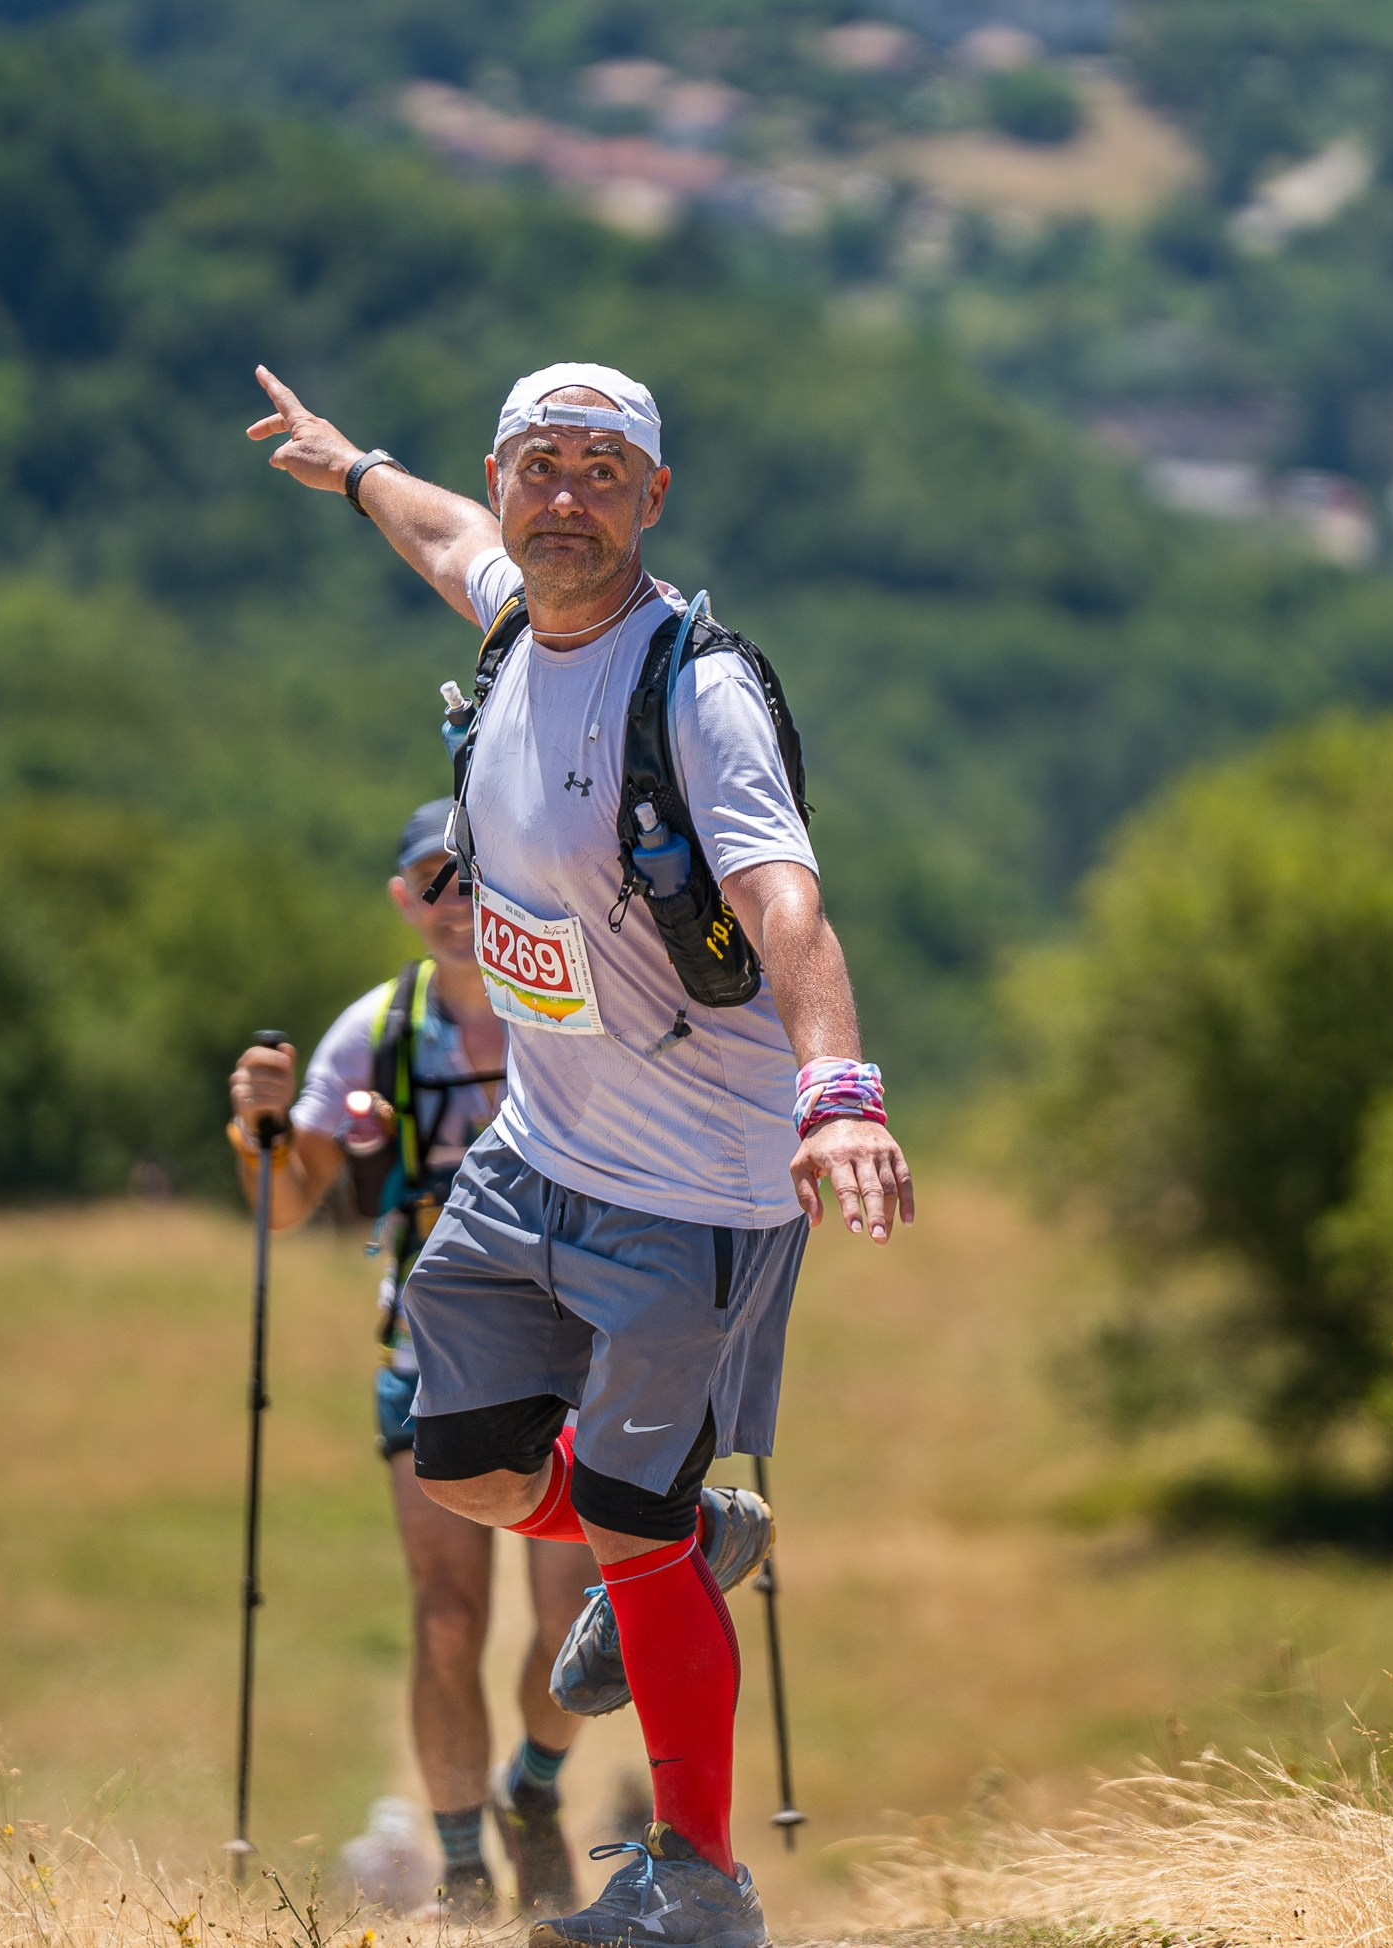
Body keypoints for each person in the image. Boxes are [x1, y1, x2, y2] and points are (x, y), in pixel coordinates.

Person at [246, 359, 913, 1948]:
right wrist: (349, 466)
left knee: (618, 1511)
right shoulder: (504, 621)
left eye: (602, 471)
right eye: (538, 466)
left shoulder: (695, 688)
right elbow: (433, 537)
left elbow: (783, 901)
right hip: (536, 1157)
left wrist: (838, 1093)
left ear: (651, 499)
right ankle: (682, 1536)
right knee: (463, 1464)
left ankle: (700, 1880)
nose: (565, 497)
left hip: (698, 1186)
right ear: (502, 481)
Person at [227, 803, 596, 1920]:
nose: (454, 900)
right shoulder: (375, 1031)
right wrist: (257, 1129)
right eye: (432, 880)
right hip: (425, 1356)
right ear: (402, 898)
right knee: (446, 1615)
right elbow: (285, 1203)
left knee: (572, 1615)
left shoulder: (570, 1005)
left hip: (571, 1350)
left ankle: (532, 1789)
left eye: (471, 875)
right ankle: (464, 1866)